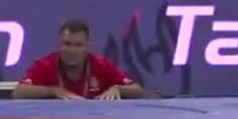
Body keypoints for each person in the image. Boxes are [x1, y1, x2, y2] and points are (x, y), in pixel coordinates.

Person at [14, 19, 144, 100]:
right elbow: (19, 92)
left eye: (78, 45)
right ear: (58, 45)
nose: (72, 51)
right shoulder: (45, 65)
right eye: (67, 44)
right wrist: (53, 91)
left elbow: (137, 90)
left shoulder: (101, 65)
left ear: (87, 46)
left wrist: (118, 89)